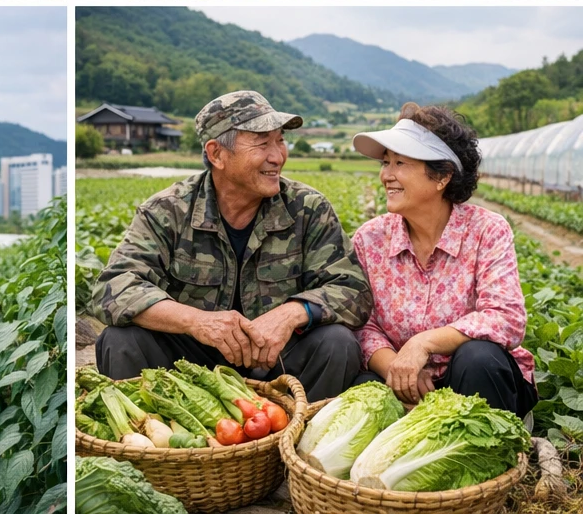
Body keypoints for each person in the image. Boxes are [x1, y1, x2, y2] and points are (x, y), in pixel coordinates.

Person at [92, 90, 372, 402]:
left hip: (276, 361)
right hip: (189, 363)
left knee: (338, 343)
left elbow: (353, 289)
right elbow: (112, 287)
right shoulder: (167, 211)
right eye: (262, 143)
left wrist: (292, 313)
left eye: (280, 140)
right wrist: (197, 322)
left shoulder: (307, 208)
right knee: (119, 341)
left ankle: (295, 442)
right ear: (216, 154)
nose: (277, 155)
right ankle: (152, 443)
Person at [349, 103, 537, 418]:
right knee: (363, 387)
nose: (386, 175)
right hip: (406, 379)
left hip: (474, 379)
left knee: (478, 357)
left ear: (442, 177)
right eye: (385, 162)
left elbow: (506, 317)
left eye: (400, 163)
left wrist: (424, 343)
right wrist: (399, 368)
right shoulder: (370, 239)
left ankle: (492, 452)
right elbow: (362, 325)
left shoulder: (486, 231)